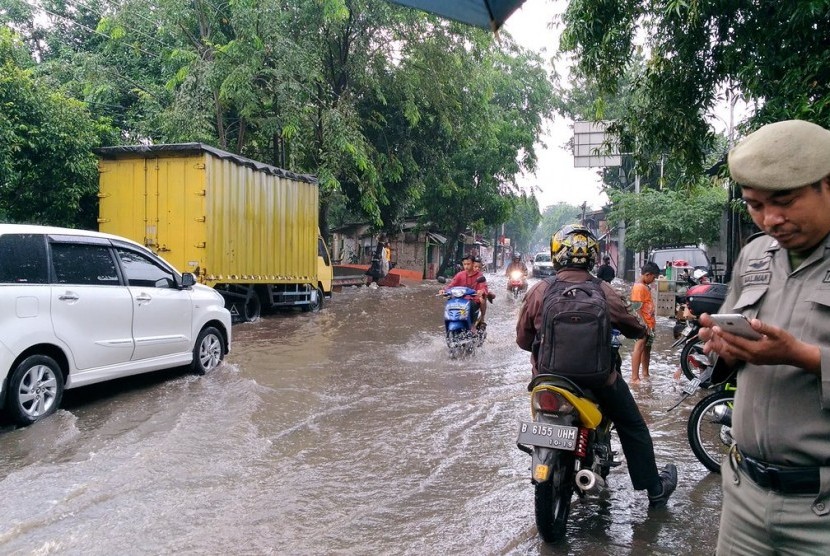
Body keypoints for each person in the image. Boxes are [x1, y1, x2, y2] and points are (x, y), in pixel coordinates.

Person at [696, 120, 830, 554]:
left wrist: (801, 356)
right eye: (755, 205)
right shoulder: (755, 255)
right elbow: (729, 348)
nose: (771, 219)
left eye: (785, 201)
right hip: (744, 495)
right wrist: (723, 350)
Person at [516, 224, 677, 508]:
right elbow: (633, 327)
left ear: (557, 255)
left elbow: (522, 339)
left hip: (548, 381)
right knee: (632, 425)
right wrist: (641, 330)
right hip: (600, 381)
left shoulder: (540, 289)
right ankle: (655, 489)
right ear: (592, 256)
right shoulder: (603, 290)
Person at [630, 262, 659, 384]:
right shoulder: (639, 287)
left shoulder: (644, 286)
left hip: (650, 324)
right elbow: (636, 308)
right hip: (643, 324)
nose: (654, 280)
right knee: (639, 347)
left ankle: (645, 373)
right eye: (653, 277)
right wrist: (643, 324)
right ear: (647, 274)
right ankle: (635, 377)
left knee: (647, 349)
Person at [440, 254, 488, 327]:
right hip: (459, 299)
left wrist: (481, 291)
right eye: (464, 264)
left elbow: (483, 287)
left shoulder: (479, 275)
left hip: (473, 299)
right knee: (449, 302)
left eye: (468, 264)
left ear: (473, 264)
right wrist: (444, 290)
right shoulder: (460, 275)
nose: (466, 266)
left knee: (482, 300)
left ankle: (480, 320)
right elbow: (451, 285)